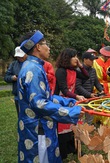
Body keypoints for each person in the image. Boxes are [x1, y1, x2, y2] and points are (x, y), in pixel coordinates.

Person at [17, 30, 83, 163]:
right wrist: (71, 112)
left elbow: (47, 97)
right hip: (38, 131)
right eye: (46, 44)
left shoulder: (35, 66)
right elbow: (40, 103)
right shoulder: (33, 69)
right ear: (38, 47)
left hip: (40, 127)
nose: (49, 47)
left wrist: (70, 102)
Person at [54, 48, 89, 160]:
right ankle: (63, 153)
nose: (76, 59)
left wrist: (80, 65)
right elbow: (64, 90)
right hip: (61, 102)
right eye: (73, 56)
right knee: (63, 128)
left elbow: (86, 76)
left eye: (76, 56)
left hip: (70, 102)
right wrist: (77, 96)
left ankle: (75, 149)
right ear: (66, 58)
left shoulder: (73, 71)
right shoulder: (61, 71)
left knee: (73, 126)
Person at [75, 52, 104, 125]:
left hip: (90, 98)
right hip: (80, 98)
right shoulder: (78, 70)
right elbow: (78, 86)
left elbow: (96, 82)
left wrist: (101, 90)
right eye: (91, 60)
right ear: (84, 60)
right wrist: (89, 94)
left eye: (93, 60)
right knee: (80, 118)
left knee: (90, 117)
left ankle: (87, 132)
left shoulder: (93, 70)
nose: (93, 61)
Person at [93, 46, 110, 125]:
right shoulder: (95, 62)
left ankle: (107, 124)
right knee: (98, 103)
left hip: (109, 85)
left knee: (108, 104)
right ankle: (97, 121)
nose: (108, 57)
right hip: (98, 85)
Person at [4, 46, 27, 116]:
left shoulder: (30, 64)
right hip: (18, 95)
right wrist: (12, 78)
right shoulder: (13, 64)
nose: (19, 58)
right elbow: (6, 77)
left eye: (21, 56)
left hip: (28, 94)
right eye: (18, 56)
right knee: (20, 115)